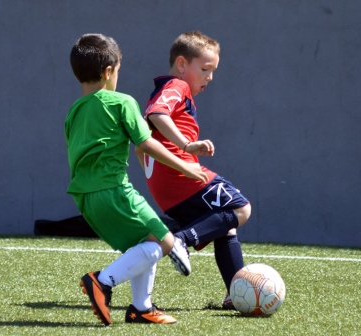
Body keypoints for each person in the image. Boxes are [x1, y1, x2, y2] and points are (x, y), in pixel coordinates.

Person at [65, 33, 209, 326]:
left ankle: (141, 308)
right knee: (165, 242)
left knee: (144, 242)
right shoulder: (122, 102)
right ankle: (102, 281)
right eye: (118, 71)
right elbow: (145, 143)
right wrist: (185, 162)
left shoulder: (73, 112)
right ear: (109, 72)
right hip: (115, 191)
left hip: (85, 198)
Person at [135, 31, 251, 310]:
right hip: (182, 179)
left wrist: (154, 178)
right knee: (241, 209)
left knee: (226, 227)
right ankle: (180, 241)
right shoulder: (176, 85)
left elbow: (140, 146)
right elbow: (156, 114)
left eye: (213, 71)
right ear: (182, 64)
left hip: (167, 189)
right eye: (205, 69)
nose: (209, 77)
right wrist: (187, 146)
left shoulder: (173, 91)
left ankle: (235, 294)